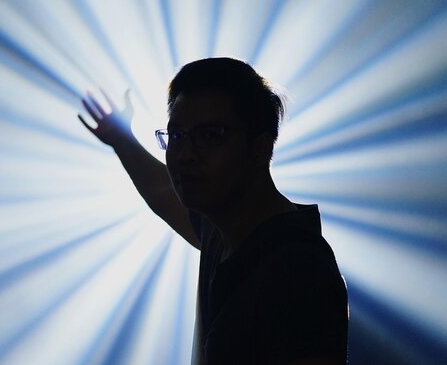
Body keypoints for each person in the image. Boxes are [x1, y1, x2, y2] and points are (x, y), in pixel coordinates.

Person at [78, 57, 348, 365]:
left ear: (261, 147)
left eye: (211, 135)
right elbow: (165, 194)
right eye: (176, 136)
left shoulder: (298, 273)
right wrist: (120, 139)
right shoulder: (223, 235)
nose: (185, 155)